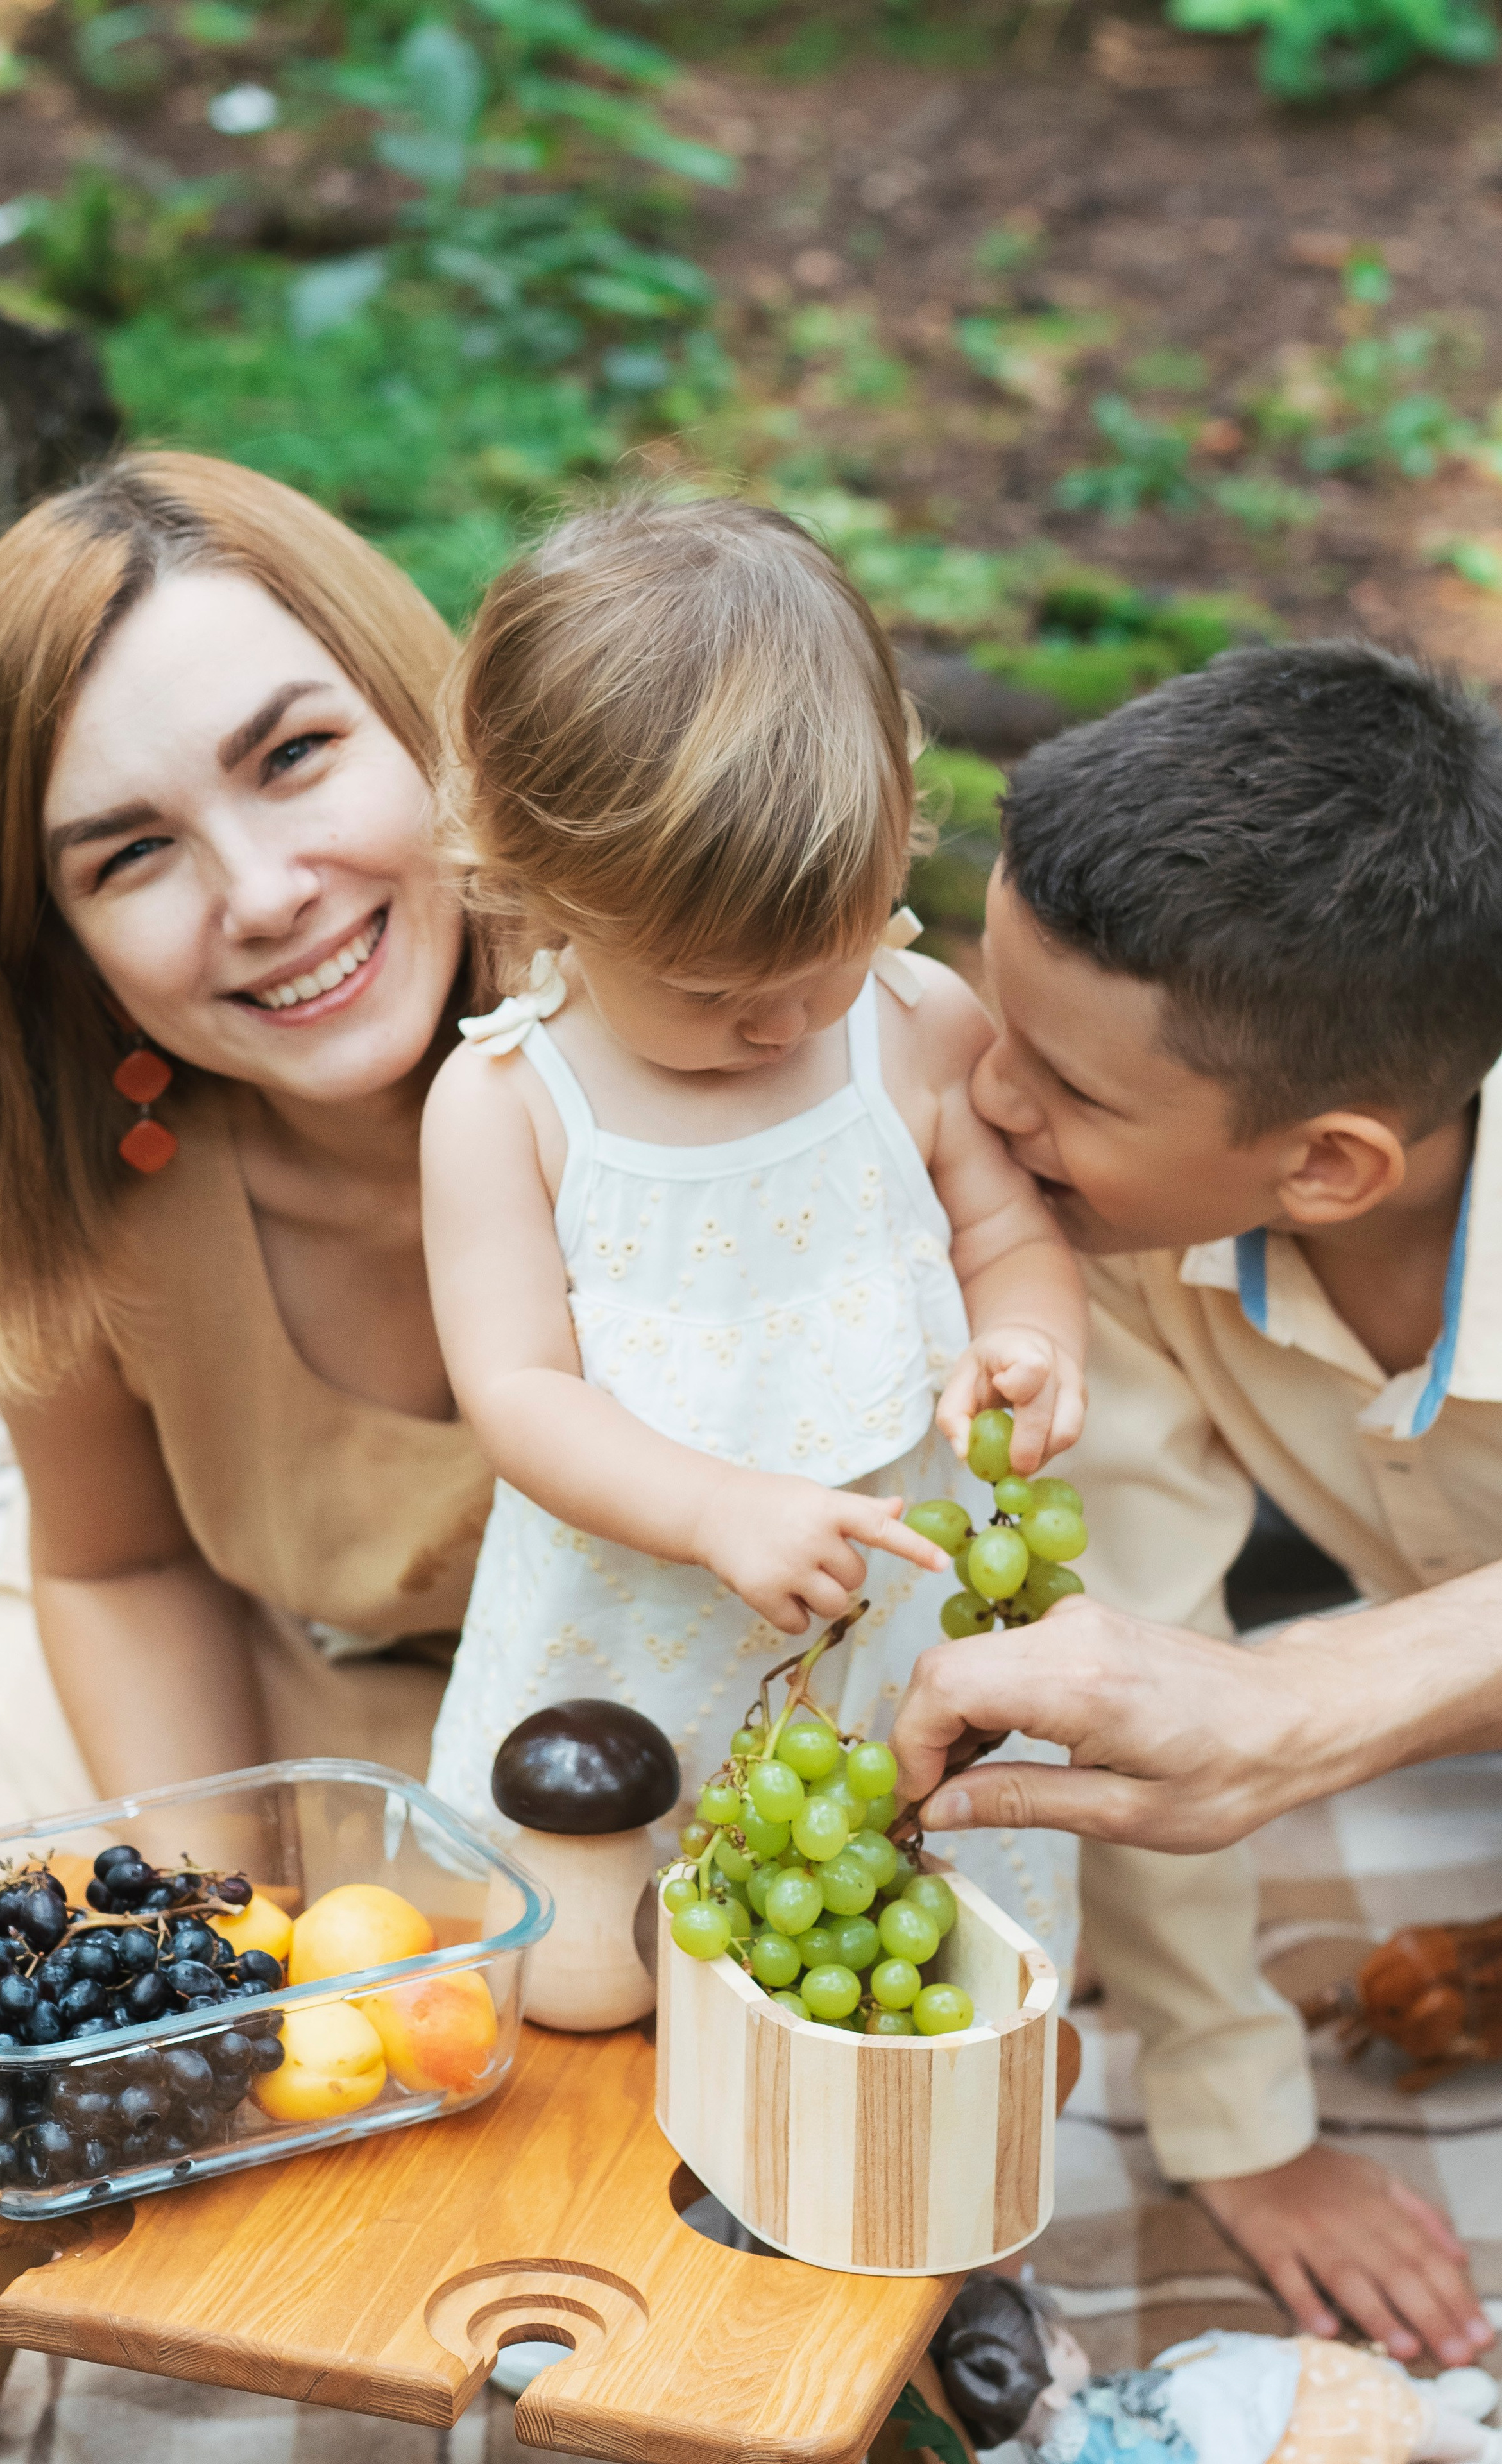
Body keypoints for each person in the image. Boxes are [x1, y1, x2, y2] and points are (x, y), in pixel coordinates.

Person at [888, 640, 1502, 2370]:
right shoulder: (1126, 1250)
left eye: (1069, 1087)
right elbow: (1137, 1663)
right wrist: (1244, 2118)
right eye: (995, 1022)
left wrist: (1324, 1699)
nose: (989, 1101)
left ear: (1327, 1162)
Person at [418, 496, 1089, 1952]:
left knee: (906, 1909)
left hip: (894, 1612)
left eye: (825, 953)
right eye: (709, 990)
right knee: (607, 1938)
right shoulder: (508, 1102)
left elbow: (1001, 1236)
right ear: (536, 878)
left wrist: (1033, 1333)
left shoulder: (912, 1026)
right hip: (633, 1634)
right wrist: (716, 1507)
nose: (780, 1018)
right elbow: (516, 1388)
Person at [0, 450, 493, 1853]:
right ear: (65, 953)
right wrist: (225, 1942)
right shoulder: (101, 1199)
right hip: (268, 1694)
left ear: (421, 719)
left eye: (293, 757)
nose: (265, 895)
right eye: (131, 854)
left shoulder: (686, 1041)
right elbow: (124, 1562)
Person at [928, 2273, 1502, 2463]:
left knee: (1292, 2362)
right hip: (1214, 2439)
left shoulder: (1070, 2424)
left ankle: (1429, 2401)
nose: (1076, 2343)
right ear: (1048, 2395)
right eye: (1062, 2346)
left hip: (1180, 2402)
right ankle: (1464, 2440)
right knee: (1335, 2411)